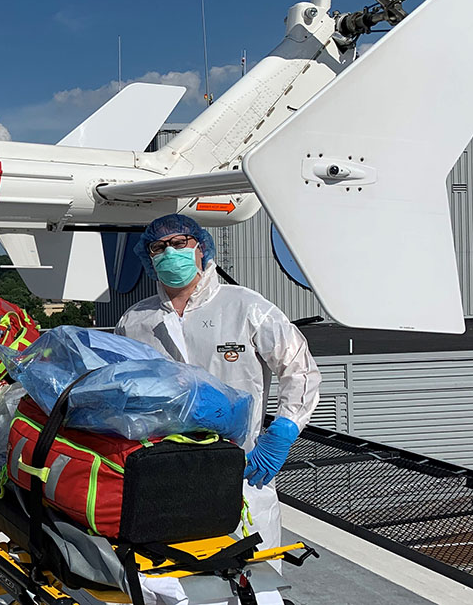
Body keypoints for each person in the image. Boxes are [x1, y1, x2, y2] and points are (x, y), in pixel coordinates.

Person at [115, 214, 320, 604]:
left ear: (202, 248)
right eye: (159, 248)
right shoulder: (136, 320)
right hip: (165, 472)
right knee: (178, 582)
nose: (170, 253)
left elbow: (300, 368)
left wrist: (283, 430)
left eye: (180, 243)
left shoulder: (244, 306)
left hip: (242, 469)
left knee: (255, 582)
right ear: (149, 257)